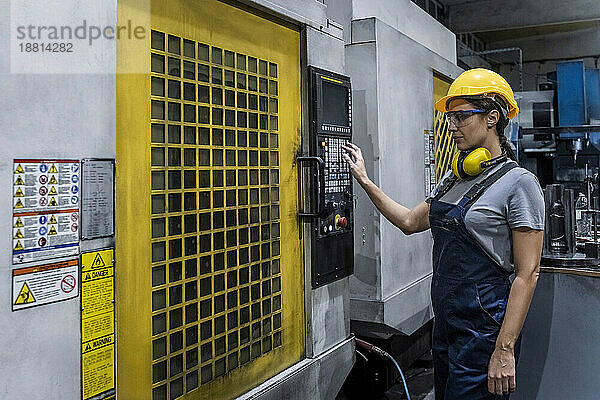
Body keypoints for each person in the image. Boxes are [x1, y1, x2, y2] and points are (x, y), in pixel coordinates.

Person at [343, 68, 544, 399]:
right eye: (450, 118)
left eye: (462, 117)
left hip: (484, 331)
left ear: (493, 117)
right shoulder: (453, 179)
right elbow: (409, 221)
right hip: (447, 325)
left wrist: (504, 349)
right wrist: (364, 180)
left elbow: (528, 273)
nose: (452, 127)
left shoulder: (519, 183)